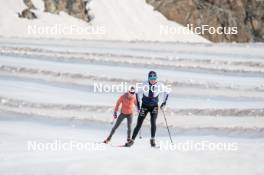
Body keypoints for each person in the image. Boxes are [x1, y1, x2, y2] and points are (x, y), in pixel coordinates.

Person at [125, 71, 169, 147]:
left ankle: (152, 140)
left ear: (156, 78)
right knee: (139, 123)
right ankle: (132, 141)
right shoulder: (143, 84)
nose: (152, 80)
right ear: (148, 78)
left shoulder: (160, 85)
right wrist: (138, 106)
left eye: (154, 78)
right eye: (151, 78)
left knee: (153, 122)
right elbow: (136, 92)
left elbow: (167, 92)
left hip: (154, 106)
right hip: (144, 106)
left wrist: (164, 102)